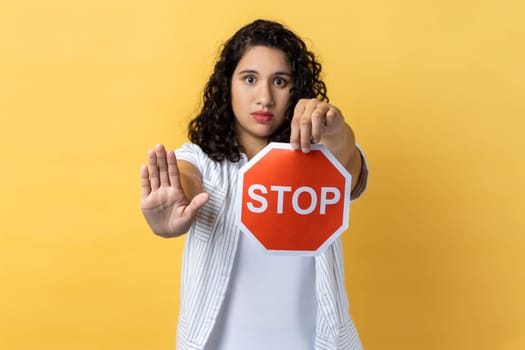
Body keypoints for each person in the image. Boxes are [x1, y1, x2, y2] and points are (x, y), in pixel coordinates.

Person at [140, 19, 368, 350]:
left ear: (296, 90)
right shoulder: (201, 160)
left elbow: (349, 167)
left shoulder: (321, 161)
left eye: (280, 81)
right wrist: (170, 212)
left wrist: (335, 128)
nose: (265, 97)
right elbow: (188, 179)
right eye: (250, 79)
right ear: (227, 85)